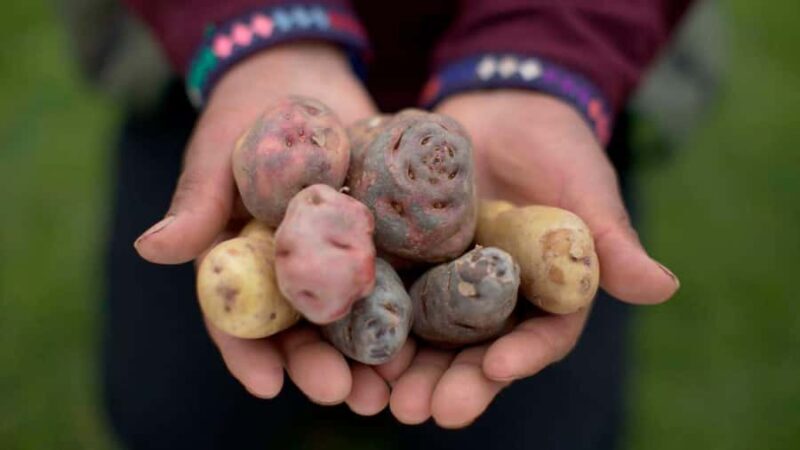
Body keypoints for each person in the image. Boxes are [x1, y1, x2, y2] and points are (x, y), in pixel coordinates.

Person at [91, 1, 692, 448]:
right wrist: (263, 38)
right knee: (166, 416)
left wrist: (542, 62)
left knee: (548, 434)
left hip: (550, 66)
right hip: (223, 54)